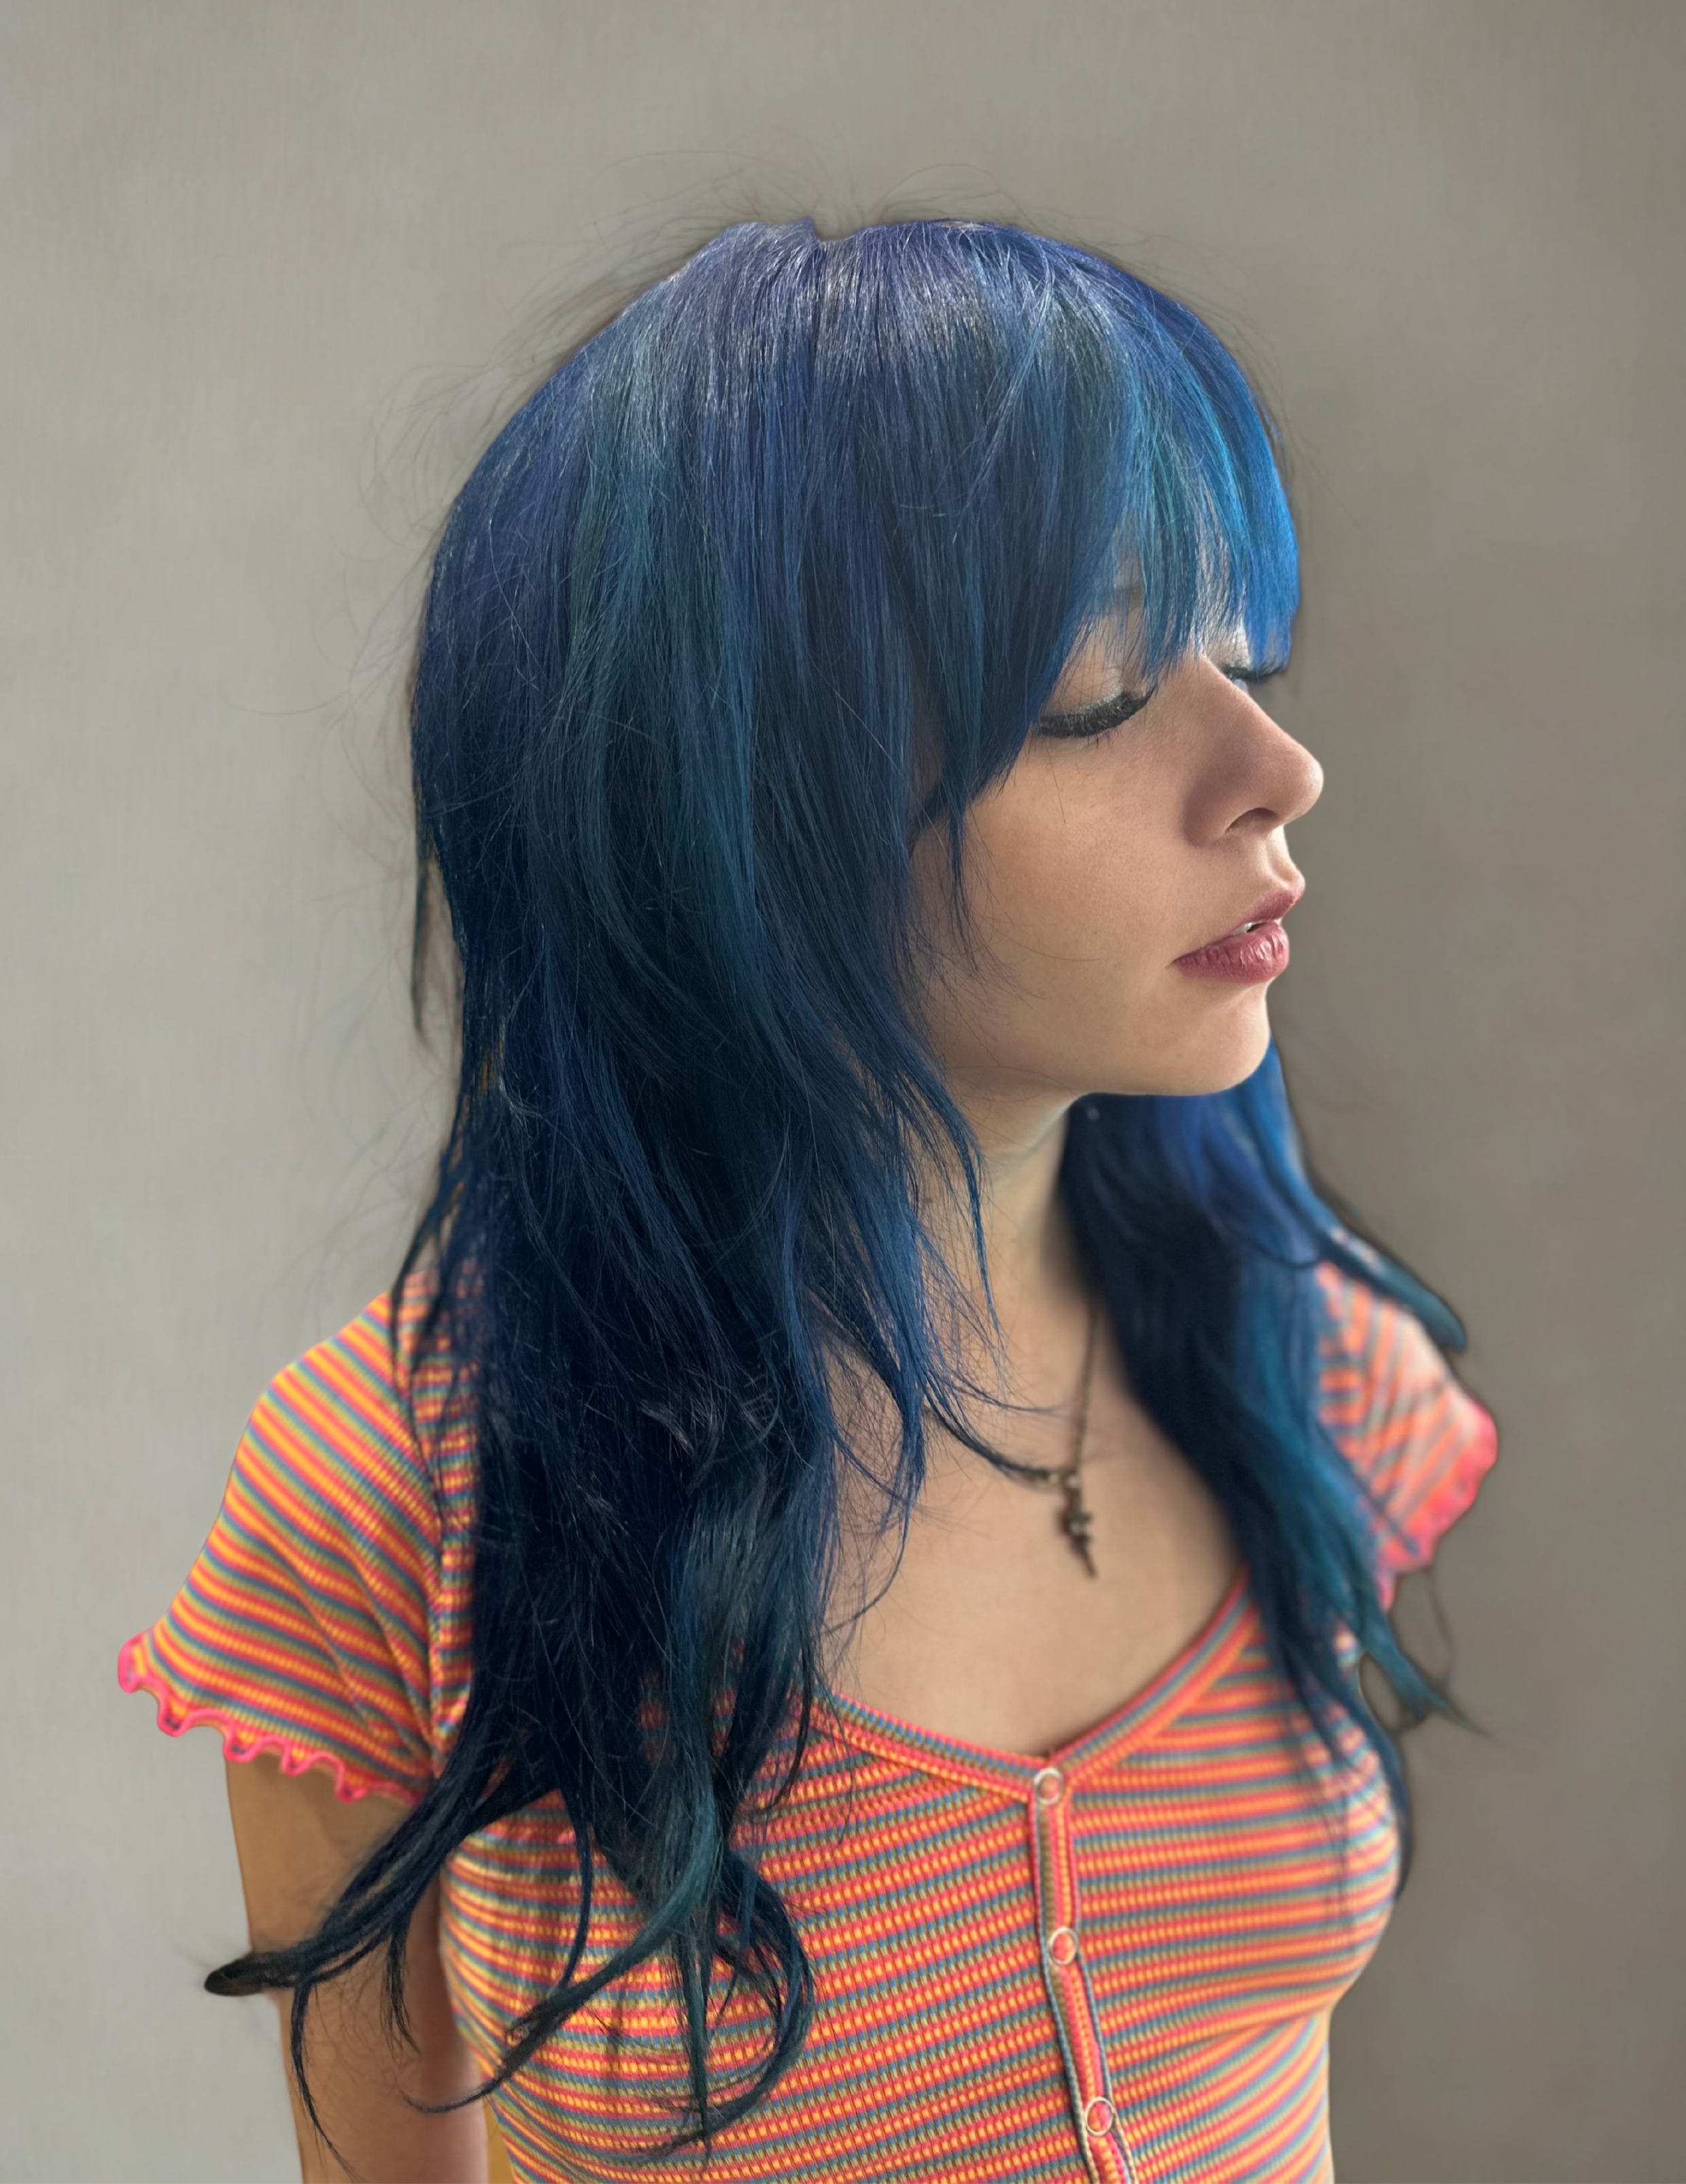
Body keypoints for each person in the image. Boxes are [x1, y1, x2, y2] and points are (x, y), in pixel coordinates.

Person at [119, 218, 1497, 2183]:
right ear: (738, 801)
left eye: (1241, 652)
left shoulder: (1308, 1355)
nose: (1274, 764)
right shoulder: (394, 1494)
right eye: (1101, 691)